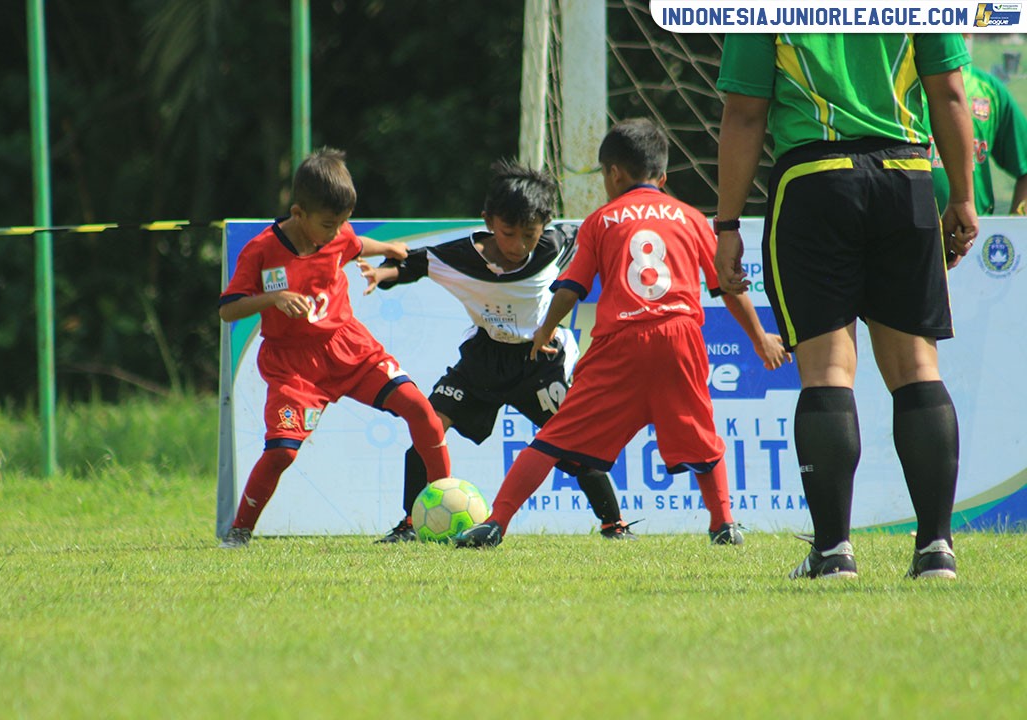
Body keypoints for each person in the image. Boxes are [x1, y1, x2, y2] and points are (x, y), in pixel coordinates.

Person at [713, 34, 979, 580]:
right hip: (906, 177)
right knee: (917, 368)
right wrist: (963, 196)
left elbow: (744, 114)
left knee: (828, 370)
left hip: (814, 182)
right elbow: (950, 92)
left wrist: (727, 225)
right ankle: (936, 549)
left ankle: (833, 552)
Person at [454, 118, 790, 549]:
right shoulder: (691, 219)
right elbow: (726, 284)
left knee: (553, 438)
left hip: (621, 343)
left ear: (613, 174)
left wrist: (546, 330)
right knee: (702, 435)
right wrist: (761, 338)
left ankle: (495, 524)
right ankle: (724, 524)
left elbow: (570, 287)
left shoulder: (601, 221)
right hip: (679, 335)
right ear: (663, 176)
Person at [363, 160, 638, 542]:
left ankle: (614, 526)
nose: (520, 245)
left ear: (544, 225)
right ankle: (409, 525)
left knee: (576, 447)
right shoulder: (460, 256)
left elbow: (596, 234)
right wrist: (383, 275)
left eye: (530, 234)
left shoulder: (555, 244)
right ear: (489, 221)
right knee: (427, 430)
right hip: (484, 360)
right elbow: (414, 264)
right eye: (509, 233)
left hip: (540, 361)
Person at [217, 148, 451, 548]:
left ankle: (439, 512)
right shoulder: (261, 250)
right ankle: (240, 530)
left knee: (421, 410)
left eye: (342, 221)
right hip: (294, 366)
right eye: (329, 223)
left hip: (349, 348)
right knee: (281, 453)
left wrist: (389, 249)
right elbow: (228, 309)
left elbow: (355, 243)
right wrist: (273, 299)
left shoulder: (337, 232)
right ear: (298, 212)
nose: (337, 231)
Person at [929, 61, 1027, 216]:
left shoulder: (987, 89)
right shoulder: (902, 88)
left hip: (974, 234)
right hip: (911, 234)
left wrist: (1014, 228)